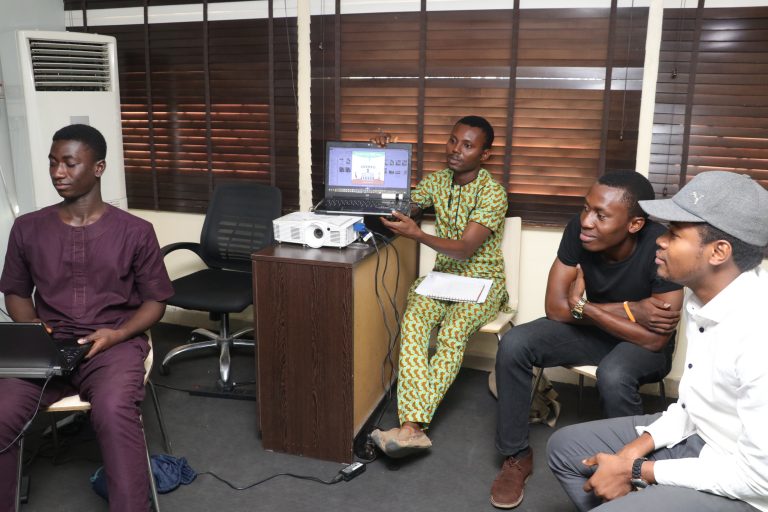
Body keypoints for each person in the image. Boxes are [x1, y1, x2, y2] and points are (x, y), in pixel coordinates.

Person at [547, 170, 768, 512]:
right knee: (565, 448)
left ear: (718, 252)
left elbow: (759, 478)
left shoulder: (757, 332)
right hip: (703, 438)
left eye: (674, 234)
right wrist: (633, 451)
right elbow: (691, 408)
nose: (660, 241)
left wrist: (637, 470)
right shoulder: (705, 299)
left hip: (745, 484)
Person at [0, 124, 173, 512]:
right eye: (53, 162)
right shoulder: (28, 228)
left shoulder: (136, 232)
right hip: (49, 344)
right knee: (2, 410)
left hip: (113, 344)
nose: (57, 172)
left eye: (69, 163)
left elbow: (155, 301)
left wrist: (118, 334)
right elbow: (16, 292)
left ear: (98, 168)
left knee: (114, 411)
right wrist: (32, 327)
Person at [490, 170, 685, 509]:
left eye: (601, 215)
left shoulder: (662, 245)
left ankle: (627, 472)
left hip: (642, 347)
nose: (586, 221)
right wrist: (629, 309)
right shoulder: (578, 232)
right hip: (593, 332)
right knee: (515, 343)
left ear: (634, 224)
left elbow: (655, 340)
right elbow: (556, 308)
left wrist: (583, 307)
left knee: (615, 373)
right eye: (585, 208)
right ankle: (516, 455)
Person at [369, 115, 509, 457]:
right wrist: (383, 163)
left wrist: (417, 234)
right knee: (414, 321)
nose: (455, 150)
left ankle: (411, 427)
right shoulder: (438, 181)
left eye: (467, 145)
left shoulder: (493, 193)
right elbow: (401, 205)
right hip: (442, 280)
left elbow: (464, 249)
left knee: (452, 333)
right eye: (453, 140)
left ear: (485, 154)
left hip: (482, 282)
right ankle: (412, 431)